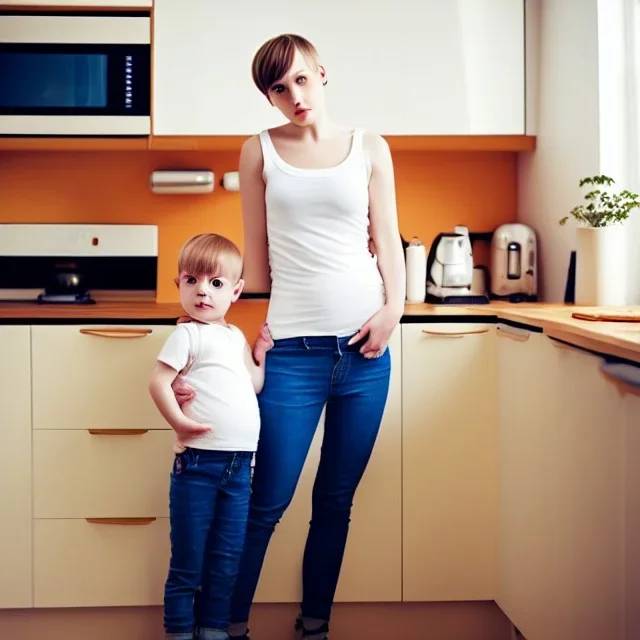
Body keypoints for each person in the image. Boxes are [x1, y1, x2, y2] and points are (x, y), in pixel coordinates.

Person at [173, 33, 405, 640]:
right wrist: (207, 324)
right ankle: (227, 626)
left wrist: (394, 311)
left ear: (322, 74)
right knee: (264, 502)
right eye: (278, 88)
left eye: (301, 79)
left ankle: (314, 626)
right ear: (268, 97)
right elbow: (256, 259)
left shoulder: (370, 147)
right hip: (293, 356)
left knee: (335, 503)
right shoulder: (259, 152)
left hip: (366, 351)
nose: (293, 95)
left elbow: (387, 238)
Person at [149, 233, 273, 640]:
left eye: (216, 283)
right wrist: (179, 424)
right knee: (188, 561)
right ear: (179, 285)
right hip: (198, 464)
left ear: (235, 291)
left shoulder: (235, 337)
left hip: (240, 468)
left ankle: (215, 631)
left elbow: (253, 384)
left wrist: (263, 353)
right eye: (192, 280)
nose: (203, 290)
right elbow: (158, 384)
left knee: (225, 561)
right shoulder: (187, 334)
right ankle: (181, 632)